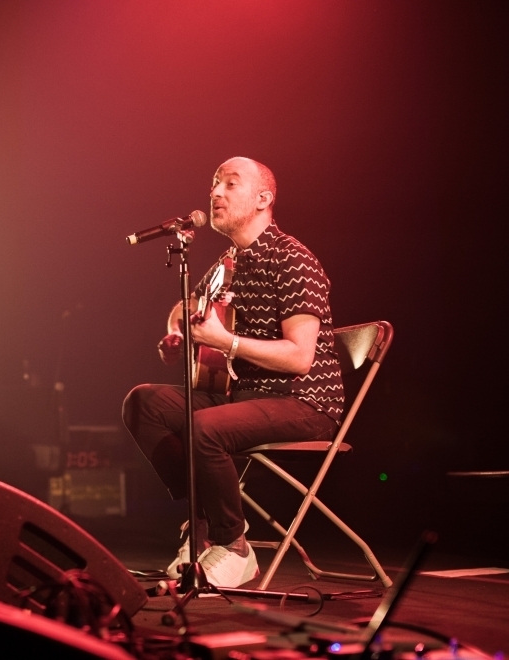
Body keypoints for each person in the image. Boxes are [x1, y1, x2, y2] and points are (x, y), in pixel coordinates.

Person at [122, 157, 344, 588]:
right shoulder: (227, 264)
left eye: (230, 184)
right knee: (144, 403)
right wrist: (177, 334)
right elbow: (185, 309)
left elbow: (300, 357)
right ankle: (202, 527)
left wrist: (226, 342)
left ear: (263, 199)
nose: (216, 193)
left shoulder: (293, 259)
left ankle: (235, 546)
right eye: (214, 184)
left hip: (302, 400)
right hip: (243, 396)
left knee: (203, 427)